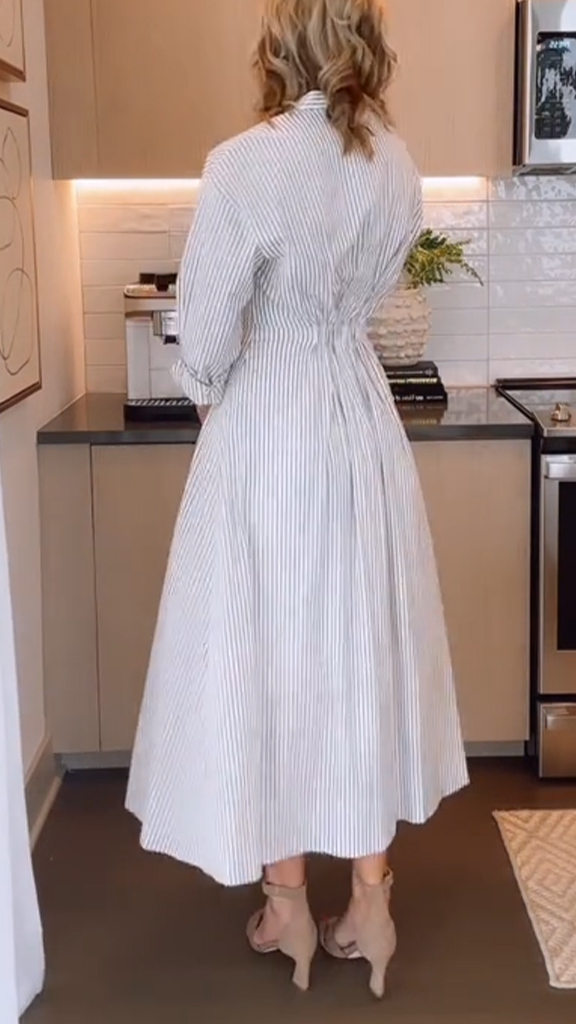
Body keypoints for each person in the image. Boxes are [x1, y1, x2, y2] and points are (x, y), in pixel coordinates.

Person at [126, 0, 468, 998]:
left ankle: (286, 905)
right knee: (356, 653)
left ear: (279, 46)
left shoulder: (245, 163)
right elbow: (367, 293)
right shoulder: (396, 166)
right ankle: (371, 901)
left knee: (268, 653)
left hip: (269, 426)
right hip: (360, 421)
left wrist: (212, 394)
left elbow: (202, 332)